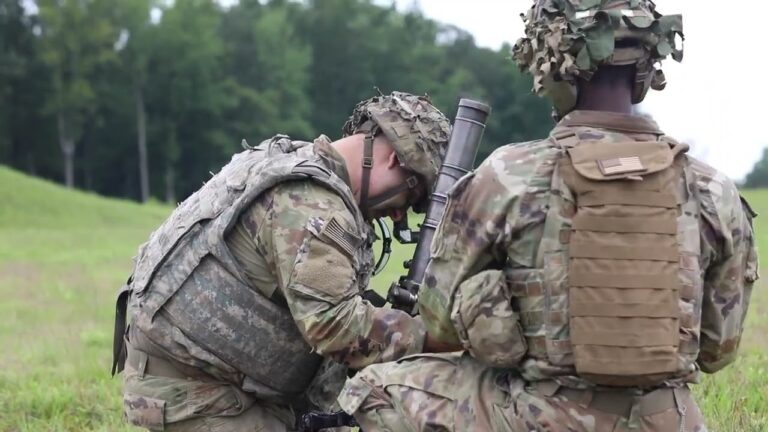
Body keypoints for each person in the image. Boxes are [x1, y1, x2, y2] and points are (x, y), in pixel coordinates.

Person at [339, 2, 759, 431]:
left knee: (374, 387)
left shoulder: (510, 175)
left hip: (544, 417)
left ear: (550, 69)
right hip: (670, 420)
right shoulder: (714, 190)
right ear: (649, 68)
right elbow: (716, 351)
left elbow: (439, 321)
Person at [111, 91, 455, 431]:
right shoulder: (309, 201)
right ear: (395, 160)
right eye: (411, 194)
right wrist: (431, 335)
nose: (398, 214)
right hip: (201, 394)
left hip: (224, 386)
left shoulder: (290, 159)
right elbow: (335, 327)